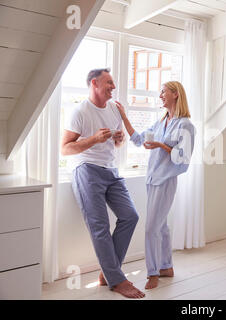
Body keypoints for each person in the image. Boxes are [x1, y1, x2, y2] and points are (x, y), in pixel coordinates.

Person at [61, 68, 145, 299]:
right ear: (95, 83)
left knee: (131, 216)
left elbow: (117, 144)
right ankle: (117, 279)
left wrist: (119, 140)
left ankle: (109, 273)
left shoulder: (114, 109)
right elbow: (65, 148)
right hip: (86, 170)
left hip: (111, 170)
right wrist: (93, 139)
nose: (113, 87)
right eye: (109, 82)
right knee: (99, 226)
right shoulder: (79, 111)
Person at [115, 81, 195, 289]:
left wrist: (161, 145)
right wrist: (124, 117)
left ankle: (153, 273)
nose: (160, 95)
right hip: (151, 179)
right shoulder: (161, 122)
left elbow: (183, 158)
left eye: (163, 91)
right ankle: (166, 266)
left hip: (165, 181)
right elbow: (139, 139)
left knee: (151, 228)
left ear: (175, 94)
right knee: (161, 226)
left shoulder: (185, 125)